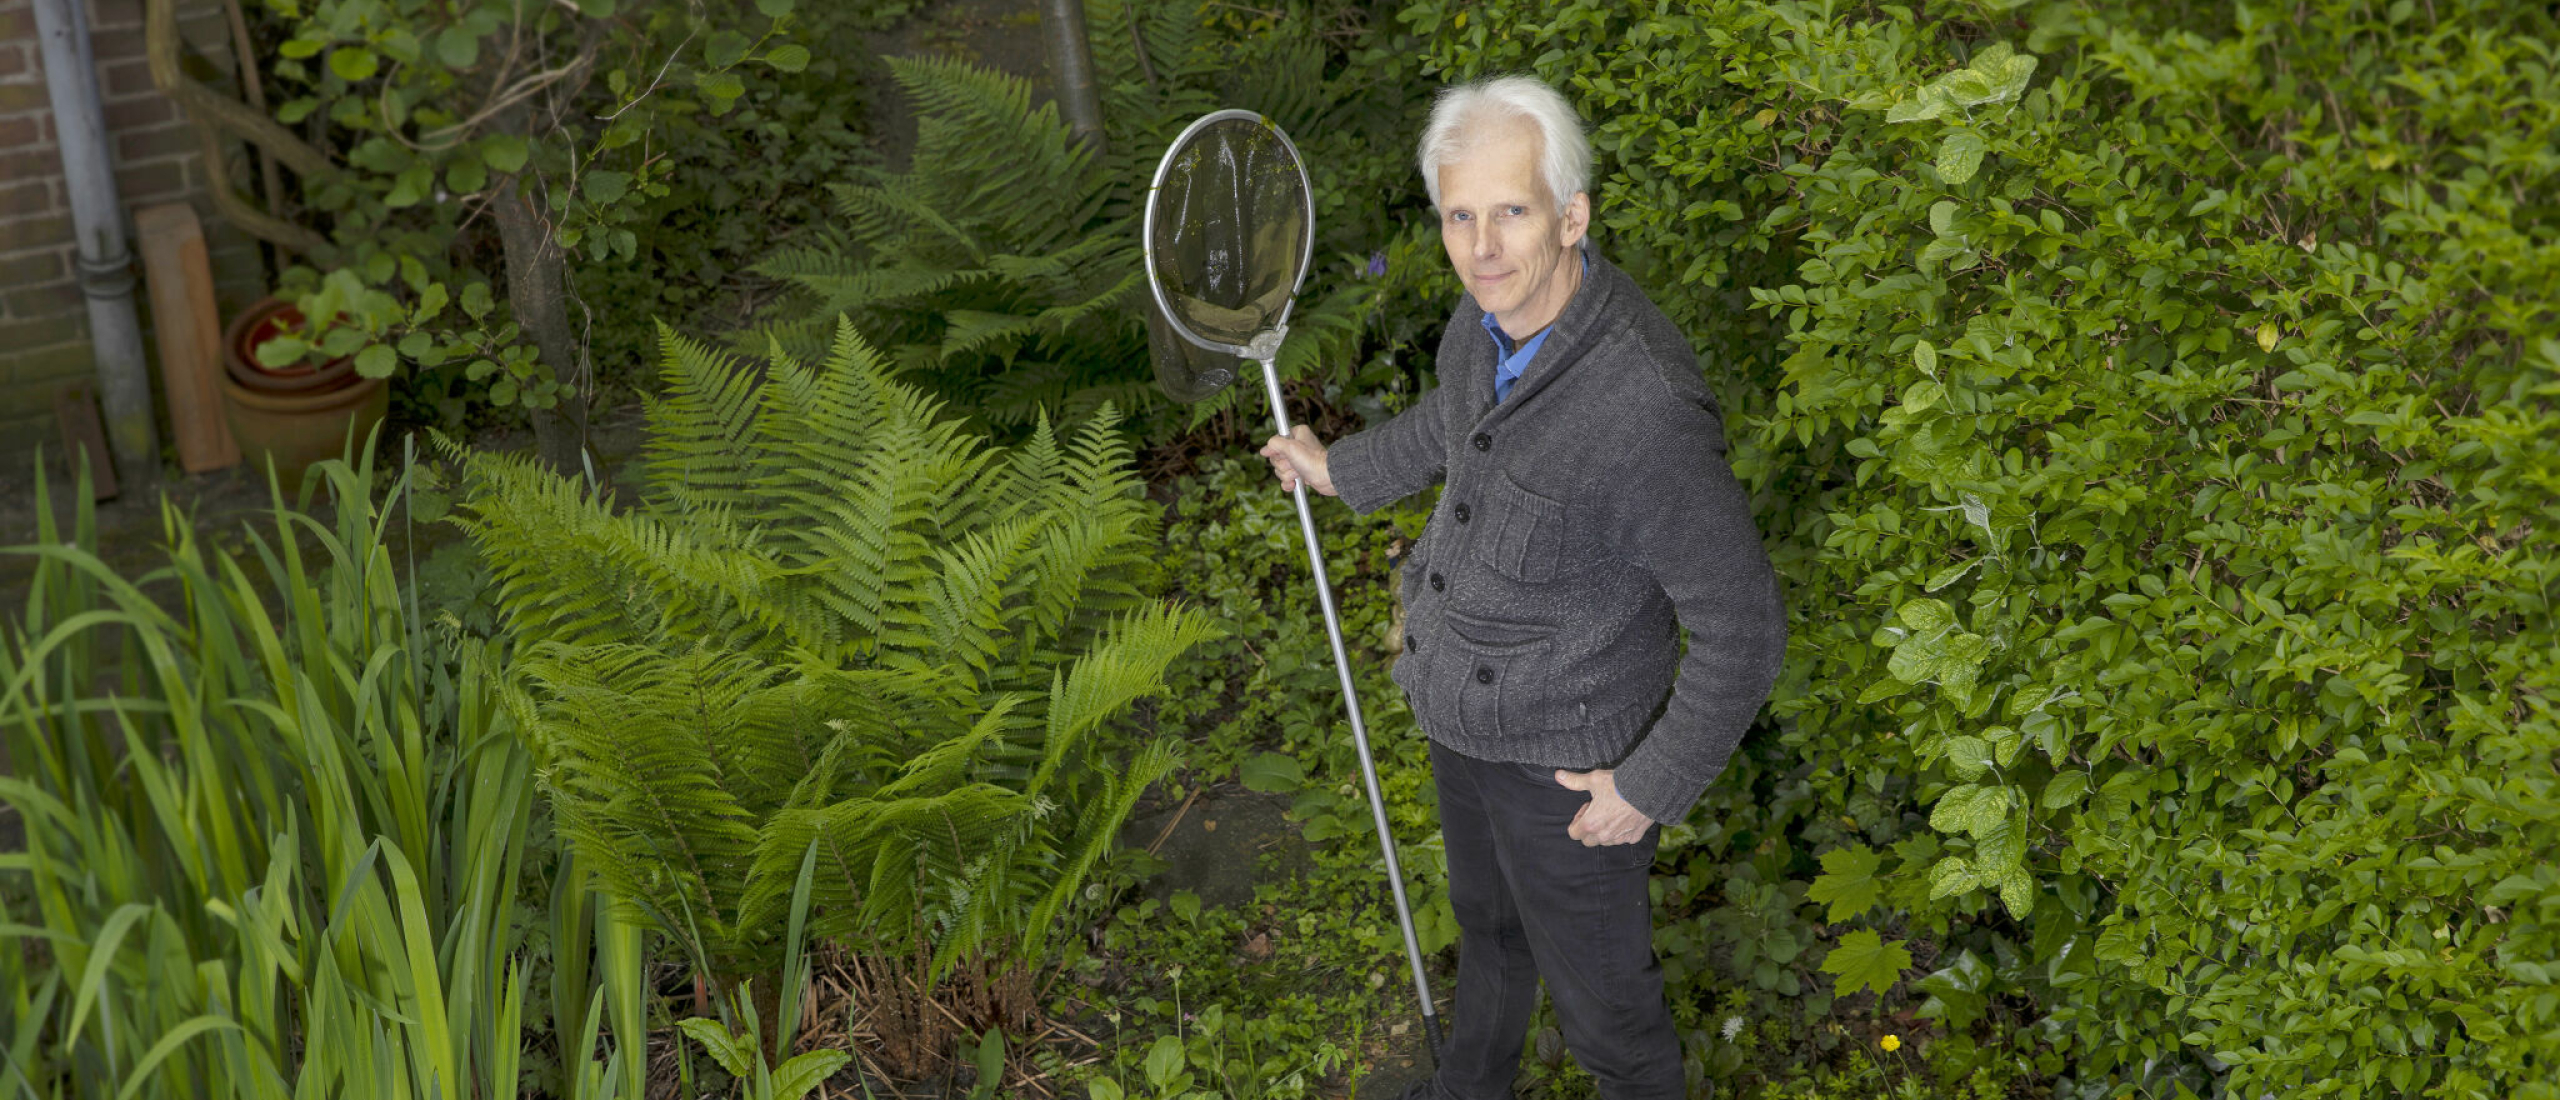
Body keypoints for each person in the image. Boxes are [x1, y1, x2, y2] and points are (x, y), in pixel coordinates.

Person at [1257, 75, 1788, 1100]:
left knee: (1610, 1024)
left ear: (1571, 215)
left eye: (1511, 210)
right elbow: (1453, 425)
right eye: (1461, 215)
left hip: (1569, 769)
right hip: (1464, 719)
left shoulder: (1645, 410)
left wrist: (1648, 783)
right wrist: (1340, 470)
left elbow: (1745, 626)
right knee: (1489, 937)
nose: (1483, 244)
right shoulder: (1484, 320)